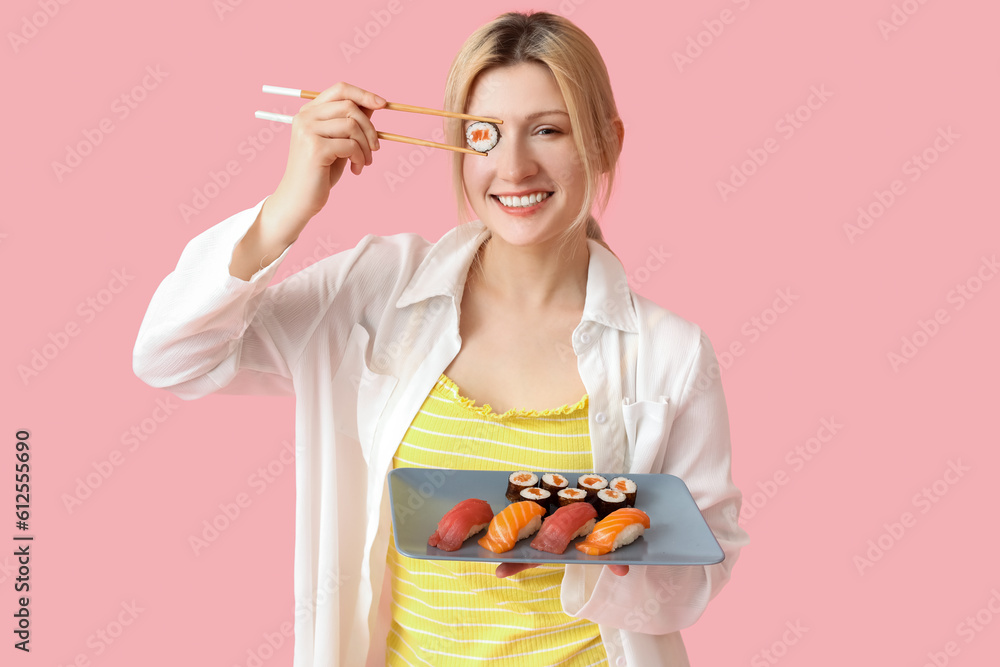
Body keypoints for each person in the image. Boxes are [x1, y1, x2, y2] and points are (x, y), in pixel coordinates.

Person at [133, 10, 748, 667]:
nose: (513, 166)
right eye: (485, 135)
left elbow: (708, 553)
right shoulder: (376, 291)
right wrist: (289, 205)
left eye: (548, 129)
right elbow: (171, 356)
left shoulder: (671, 353)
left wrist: (607, 547)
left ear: (606, 142)